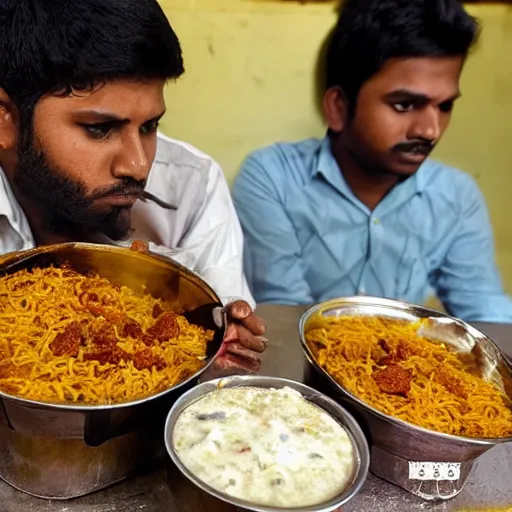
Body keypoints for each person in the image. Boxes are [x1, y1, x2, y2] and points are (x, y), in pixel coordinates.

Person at [0, 0, 266, 375]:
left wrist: (228, 346)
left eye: (149, 127)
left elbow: (224, 337)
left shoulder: (191, 184)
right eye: (99, 129)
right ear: (6, 120)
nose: (139, 166)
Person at [233, 0, 512, 323]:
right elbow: (282, 316)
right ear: (338, 107)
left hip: (403, 369)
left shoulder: (456, 197)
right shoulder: (273, 178)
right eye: (405, 105)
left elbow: (487, 314)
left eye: (445, 106)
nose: (430, 130)